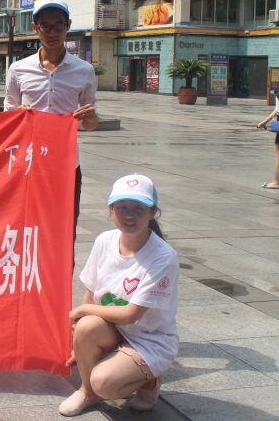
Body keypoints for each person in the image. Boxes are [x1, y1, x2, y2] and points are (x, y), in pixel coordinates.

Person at [59, 174, 178, 417]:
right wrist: (79, 341)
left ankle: (149, 380)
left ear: (152, 212)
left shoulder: (163, 256)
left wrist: (83, 311)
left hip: (148, 339)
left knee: (104, 383)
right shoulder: (105, 240)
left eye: (138, 208)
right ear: (111, 209)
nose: (129, 215)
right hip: (113, 329)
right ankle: (86, 391)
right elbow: (91, 291)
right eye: (122, 207)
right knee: (86, 327)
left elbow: (131, 315)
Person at [4, 0, 98, 242]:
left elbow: (90, 123)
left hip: (67, 165)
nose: (52, 32)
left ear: (68, 26)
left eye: (58, 25)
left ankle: (63, 268)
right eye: (45, 26)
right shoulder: (18, 69)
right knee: (25, 227)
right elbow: (7, 114)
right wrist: (18, 115)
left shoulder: (84, 71)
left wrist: (90, 117)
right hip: (28, 164)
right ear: (35, 27)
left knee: (64, 230)